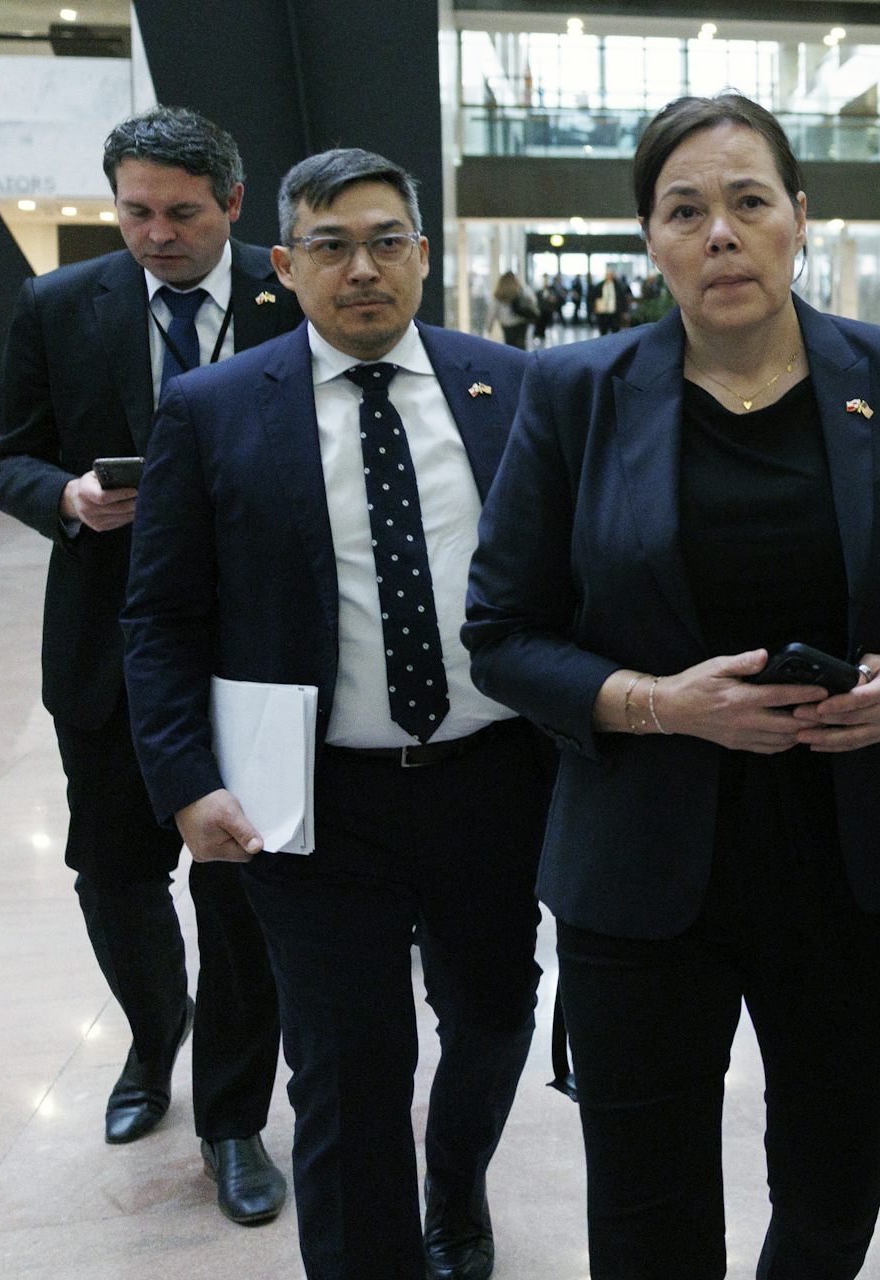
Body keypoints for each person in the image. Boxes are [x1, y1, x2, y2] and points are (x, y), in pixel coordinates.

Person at [463, 92, 880, 1280]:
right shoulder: (577, 395)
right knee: (648, 1209)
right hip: (645, 868)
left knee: (835, 1177)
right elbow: (500, 633)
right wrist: (660, 701)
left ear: (799, 218)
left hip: (852, 856)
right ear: (650, 238)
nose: (721, 233)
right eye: (685, 209)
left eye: (749, 201)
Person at [121, 147, 547, 1280]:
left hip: (493, 781)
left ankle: (454, 1184)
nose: (363, 269)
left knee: (496, 1018)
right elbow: (160, 617)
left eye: (387, 241)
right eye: (331, 245)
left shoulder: (511, 386)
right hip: (313, 801)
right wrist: (184, 779)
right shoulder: (214, 410)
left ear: (423, 250)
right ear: (285, 262)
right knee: (348, 1065)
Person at [0, 104, 293, 1227]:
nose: (156, 235)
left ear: (234, 206)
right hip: (107, 646)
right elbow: (2, 453)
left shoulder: (293, 291)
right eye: (135, 212)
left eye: (180, 213)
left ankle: (231, 1118)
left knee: (243, 890)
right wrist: (64, 497)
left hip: (256, 651)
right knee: (115, 876)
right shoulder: (62, 304)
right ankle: (154, 1035)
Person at [490, 270, 537, 350]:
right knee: (521, 346)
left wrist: (489, 327)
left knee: (510, 347)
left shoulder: (499, 295)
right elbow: (533, 300)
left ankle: (512, 361)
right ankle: (522, 361)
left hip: (506, 325)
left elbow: (492, 312)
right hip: (521, 322)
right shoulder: (520, 290)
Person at [590, 263, 631, 335]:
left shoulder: (618, 286)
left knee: (615, 331)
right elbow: (593, 297)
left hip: (614, 313)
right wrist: (594, 307)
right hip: (603, 313)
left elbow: (622, 299)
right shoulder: (599, 286)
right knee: (603, 332)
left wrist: (624, 311)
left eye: (610, 275)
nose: (608, 277)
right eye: (607, 275)